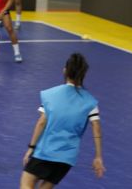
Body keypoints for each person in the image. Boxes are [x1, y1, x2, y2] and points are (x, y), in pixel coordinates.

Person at [20, 53, 106, 189]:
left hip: (45, 152)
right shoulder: (91, 102)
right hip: (67, 158)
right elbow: (96, 127)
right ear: (83, 74)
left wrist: (31, 148)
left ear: (65, 70)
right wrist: (98, 157)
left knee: (26, 183)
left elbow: (41, 122)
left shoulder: (50, 95)